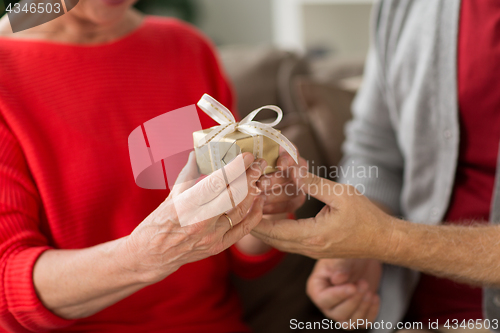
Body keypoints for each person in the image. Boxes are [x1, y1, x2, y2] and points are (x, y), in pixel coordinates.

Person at [0, 1, 304, 332]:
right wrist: (145, 255)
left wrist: (265, 208)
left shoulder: (186, 47)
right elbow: (7, 286)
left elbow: (238, 254)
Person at [252, 0, 500, 331]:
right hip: (403, 313)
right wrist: (358, 244)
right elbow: (374, 147)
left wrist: (384, 240)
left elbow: (385, 237)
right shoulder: (404, 8)